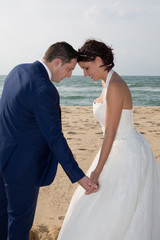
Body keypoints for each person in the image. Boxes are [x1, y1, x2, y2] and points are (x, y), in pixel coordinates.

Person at [57, 39, 160, 240]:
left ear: (98, 60)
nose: (85, 74)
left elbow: (110, 134)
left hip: (124, 151)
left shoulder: (114, 86)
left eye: (86, 68)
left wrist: (96, 172)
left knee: (114, 208)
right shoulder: (107, 81)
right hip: (116, 147)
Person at [0, 41, 98, 240]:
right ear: (57, 62)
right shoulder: (45, 89)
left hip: (3, 158)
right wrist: (79, 176)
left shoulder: (17, 70)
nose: (69, 75)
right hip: (23, 170)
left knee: (3, 218)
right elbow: (55, 138)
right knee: (20, 224)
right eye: (69, 69)